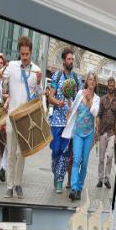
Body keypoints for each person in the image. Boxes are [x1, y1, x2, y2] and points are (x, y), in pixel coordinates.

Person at [0, 35, 42, 199]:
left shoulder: (36, 70)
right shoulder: (11, 66)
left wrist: (38, 83)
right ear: (19, 52)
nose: (24, 57)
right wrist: (3, 81)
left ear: (31, 53)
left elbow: (39, 95)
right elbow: (3, 88)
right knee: (11, 153)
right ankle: (9, 186)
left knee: (22, 154)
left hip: (26, 119)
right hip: (11, 117)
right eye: (22, 54)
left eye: (27, 54)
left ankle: (18, 183)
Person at [46, 47, 80, 193]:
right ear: (63, 61)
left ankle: (60, 180)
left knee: (66, 153)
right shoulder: (56, 77)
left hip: (69, 122)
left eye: (72, 59)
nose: (71, 61)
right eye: (69, 59)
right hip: (56, 121)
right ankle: (55, 172)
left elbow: (79, 99)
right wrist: (57, 102)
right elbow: (50, 97)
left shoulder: (77, 79)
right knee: (56, 151)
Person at [64, 72, 101, 202]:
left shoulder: (96, 98)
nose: (91, 81)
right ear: (87, 81)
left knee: (84, 163)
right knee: (76, 160)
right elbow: (73, 107)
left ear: (96, 83)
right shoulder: (80, 93)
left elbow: (95, 112)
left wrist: (89, 100)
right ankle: (74, 188)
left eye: (93, 80)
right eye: (90, 79)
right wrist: (68, 100)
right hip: (78, 132)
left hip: (89, 134)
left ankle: (79, 188)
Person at [96, 75, 116, 189]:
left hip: (112, 133)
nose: (111, 87)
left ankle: (107, 179)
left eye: (112, 85)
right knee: (101, 157)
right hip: (102, 132)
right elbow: (98, 115)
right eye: (109, 85)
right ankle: (100, 179)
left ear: (114, 86)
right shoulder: (102, 99)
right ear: (107, 85)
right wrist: (97, 131)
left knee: (110, 156)